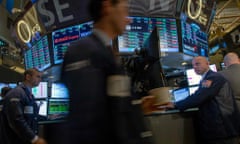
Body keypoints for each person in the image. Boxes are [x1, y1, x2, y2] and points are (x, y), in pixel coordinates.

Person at [61, 0, 152, 144]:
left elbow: (111, 107)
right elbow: (87, 121)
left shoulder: (106, 51)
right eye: (125, 9)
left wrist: (136, 106)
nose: (129, 18)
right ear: (107, 6)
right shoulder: (83, 50)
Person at [165, 56, 240, 144]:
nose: (195, 67)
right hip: (220, 129)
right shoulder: (207, 78)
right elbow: (198, 94)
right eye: (193, 65)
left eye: (198, 64)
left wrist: (176, 105)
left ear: (207, 64)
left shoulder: (213, 77)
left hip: (222, 128)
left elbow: (199, 97)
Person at [0, 68, 47, 144]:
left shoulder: (28, 94)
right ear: (28, 77)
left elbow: (30, 116)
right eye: (38, 76)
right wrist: (34, 138)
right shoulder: (17, 93)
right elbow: (16, 120)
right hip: (15, 140)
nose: (40, 79)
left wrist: (47, 117)